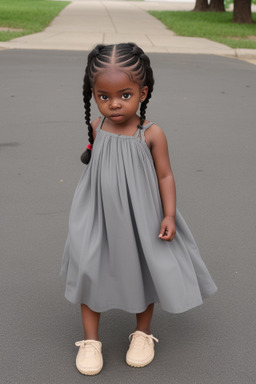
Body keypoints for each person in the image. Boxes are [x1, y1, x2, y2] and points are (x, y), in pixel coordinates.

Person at [60, 43, 217, 376]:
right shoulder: (97, 128)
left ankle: (143, 333)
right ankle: (91, 340)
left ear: (143, 93)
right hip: (98, 214)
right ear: (93, 95)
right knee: (90, 266)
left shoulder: (151, 133)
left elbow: (165, 174)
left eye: (125, 95)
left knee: (142, 269)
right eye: (104, 96)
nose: (114, 104)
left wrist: (169, 214)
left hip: (140, 216)